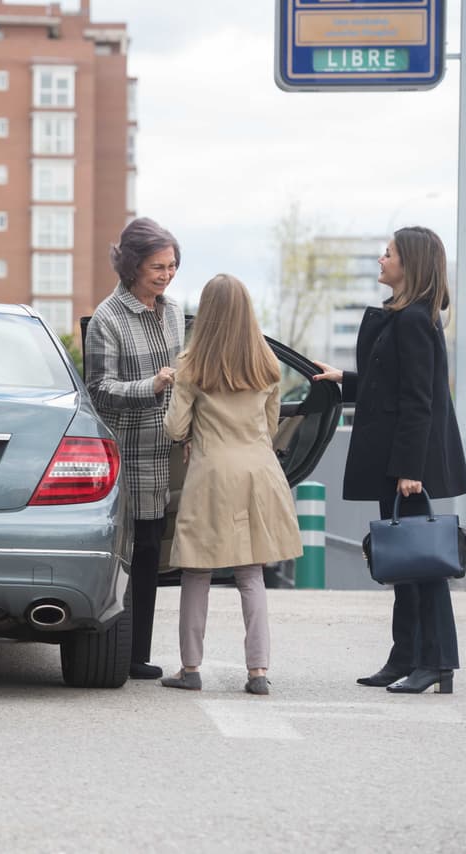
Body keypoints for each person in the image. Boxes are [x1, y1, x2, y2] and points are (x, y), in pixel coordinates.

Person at [314, 226, 466, 695]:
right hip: (397, 461)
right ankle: (405, 657)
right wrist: (346, 379)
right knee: (407, 564)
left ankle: (436, 662)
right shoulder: (406, 317)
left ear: (410, 265)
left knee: (424, 566)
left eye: (389, 254)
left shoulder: (415, 320)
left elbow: (419, 401)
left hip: (406, 465)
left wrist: (410, 470)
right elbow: (391, 385)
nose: (381, 260)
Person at [159, 274, 301, 695]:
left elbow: (174, 427)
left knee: (197, 573)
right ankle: (258, 672)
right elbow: (271, 426)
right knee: (251, 574)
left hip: (212, 475)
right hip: (259, 473)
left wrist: (188, 431)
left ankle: (191, 668)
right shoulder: (267, 365)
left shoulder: (192, 365)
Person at [85, 217, 185, 680]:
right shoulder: (107, 317)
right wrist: (153, 384)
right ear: (131, 266)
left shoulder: (173, 312)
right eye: (157, 267)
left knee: (152, 554)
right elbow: (99, 389)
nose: (166, 275)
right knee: (130, 552)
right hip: (128, 452)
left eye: (171, 266)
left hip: (167, 450)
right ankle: (121, 652)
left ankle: (138, 653)